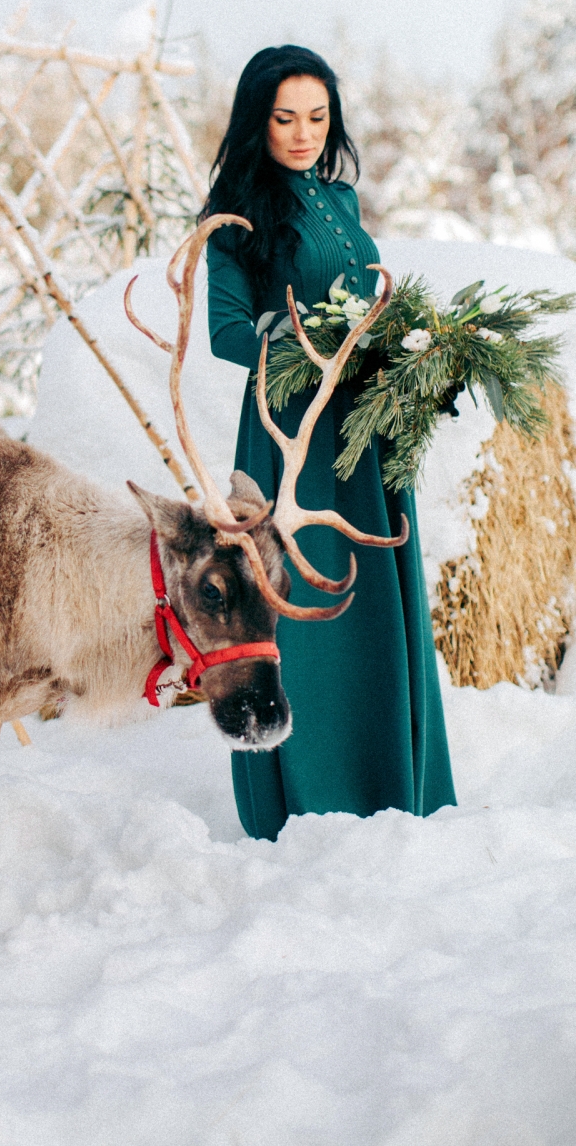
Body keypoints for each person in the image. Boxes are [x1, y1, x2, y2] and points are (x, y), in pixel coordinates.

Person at [204, 45, 456, 840]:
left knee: (377, 603)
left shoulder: (342, 202)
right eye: (285, 119)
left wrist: (410, 357)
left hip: (361, 428)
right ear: (258, 122)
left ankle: (391, 784)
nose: (304, 133)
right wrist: (309, 346)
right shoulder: (237, 215)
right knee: (307, 606)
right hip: (291, 437)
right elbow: (226, 334)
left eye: (318, 117)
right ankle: (314, 798)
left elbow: (369, 301)